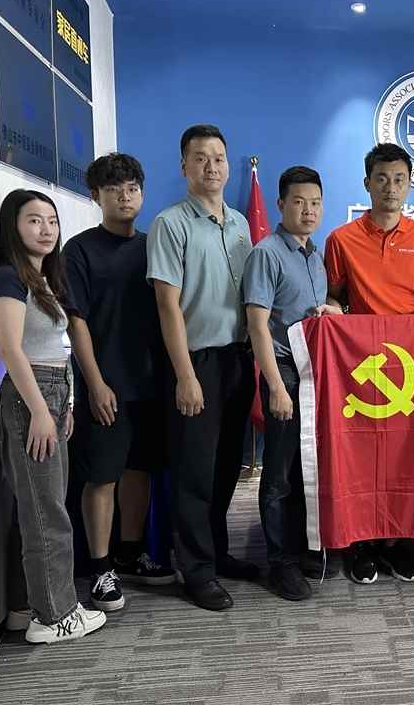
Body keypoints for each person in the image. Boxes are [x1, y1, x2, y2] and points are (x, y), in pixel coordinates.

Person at [147, 124, 258, 611]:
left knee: (228, 465)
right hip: (195, 362)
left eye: (218, 158)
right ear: (184, 166)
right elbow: (167, 306)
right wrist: (186, 376)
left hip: (237, 359)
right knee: (194, 472)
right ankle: (195, 570)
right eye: (200, 158)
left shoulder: (240, 224)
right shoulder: (170, 224)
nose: (211, 166)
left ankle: (216, 553)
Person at [0, 189, 106, 643]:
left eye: (52, 221)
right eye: (34, 220)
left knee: (41, 507)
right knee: (47, 514)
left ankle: (27, 607)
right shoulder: (8, 277)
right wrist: (39, 409)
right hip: (30, 397)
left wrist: (67, 403)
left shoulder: (44, 278)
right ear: (13, 226)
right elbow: (9, 348)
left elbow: (60, 345)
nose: (46, 230)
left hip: (54, 392)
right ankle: (55, 616)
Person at [64, 154, 176, 613]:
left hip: (150, 383)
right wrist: (94, 383)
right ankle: (100, 568)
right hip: (105, 386)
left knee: (139, 470)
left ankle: (131, 554)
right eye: (113, 190)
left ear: (142, 193)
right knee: (102, 476)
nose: (124, 197)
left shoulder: (154, 247)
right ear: (96, 196)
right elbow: (76, 321)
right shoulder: (79, 250)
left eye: (131, 188)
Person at [323, 143, 414, 585]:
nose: (391, 188)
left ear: (410, 185)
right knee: (364, 456)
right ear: (367, 183)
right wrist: (333, 312)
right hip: (362, 365)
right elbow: (334, 297)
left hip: (412, 365)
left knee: (405, 454)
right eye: (382, 179)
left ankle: (398, 541)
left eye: (399, 179)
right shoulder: (341, 239)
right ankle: (362, 543)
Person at [243, 166, 342, 601]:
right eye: (299, 202)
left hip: (312, 372)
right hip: (283, 371)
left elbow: (311, 311)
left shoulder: (314, 255)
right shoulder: (267, 253)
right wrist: (276, 388)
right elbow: (257, 325)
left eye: (315, 203)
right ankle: (279, 562)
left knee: (307, 466)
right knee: (279, 472)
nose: (308, 210)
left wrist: (331, 312)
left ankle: (303, 549)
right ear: (281, 204)